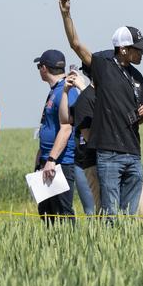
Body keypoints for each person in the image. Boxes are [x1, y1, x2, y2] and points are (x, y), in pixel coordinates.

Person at [58, 0, 143, 216]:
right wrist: (66, 14)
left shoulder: (138, 77)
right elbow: (75, 44)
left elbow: (139, 115)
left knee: (130, 216)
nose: (142, 53)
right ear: (123, 49)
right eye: (138, 48)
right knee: (111, 214)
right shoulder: (102, 64)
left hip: (133, 152)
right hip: (109, 155)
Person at [33, 48, 79, 224]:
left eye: (39, 66)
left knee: (63, 212)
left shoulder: (66, 91)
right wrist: (41, 160)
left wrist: (51, 159)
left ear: (44, 68)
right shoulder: (56, 90)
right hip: (48, 163)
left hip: (61, 163)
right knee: (47, 213)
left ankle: (69, 248)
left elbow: (66, 128)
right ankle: (52, 250)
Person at [58, 69, 98, 215]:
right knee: (90, 211)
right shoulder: (80, 101)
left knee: (102, 209)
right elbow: (65, 119)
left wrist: (83, 88)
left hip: (98, 158)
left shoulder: (96, 95)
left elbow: (97, 109)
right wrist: (65, 92)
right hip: (81, 160)